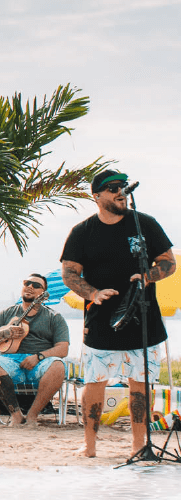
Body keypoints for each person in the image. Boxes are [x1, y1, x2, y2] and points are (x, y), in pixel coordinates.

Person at [61, 170, 175, 457]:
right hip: (101, 319)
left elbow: (169, 262)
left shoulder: (144, 224)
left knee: (141, 385)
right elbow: (69, 273)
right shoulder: (83, 231)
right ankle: (89, 446)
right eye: (112, 188)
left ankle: (139, 445)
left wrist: (148, 276)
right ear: (97, 196)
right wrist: (92, 294)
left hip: (143, 315)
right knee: (95, 382)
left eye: (122, 186)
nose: (120, 191)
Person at [0, 273, 69, 425]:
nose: (30, 287)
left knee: (58, 366)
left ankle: (32, 415)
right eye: (27, 283)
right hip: (9, 360)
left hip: (40, 361)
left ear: (43, 294)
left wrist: (38, 357)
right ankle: (16, 415)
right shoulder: (7, 313)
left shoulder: (54, 317)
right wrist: (3, 333)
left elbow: (63, 349)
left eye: (36, 285)